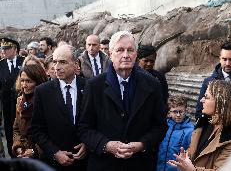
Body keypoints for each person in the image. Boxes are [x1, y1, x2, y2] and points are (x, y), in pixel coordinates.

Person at [78, 31, 167, 171]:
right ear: (110, 54)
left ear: (136, 54)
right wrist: (106, 145)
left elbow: (160, 126)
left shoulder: (152, 85)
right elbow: (84, 128)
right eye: (120, 50)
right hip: (105, 164)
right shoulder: (94, 86)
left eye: (130, 50)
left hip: (140, 164)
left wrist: (142, 144)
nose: (126, 55)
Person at [168, 80, 231, 171]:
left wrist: (192, 170)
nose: (201, 100)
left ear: (221, 102)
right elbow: (193, 152)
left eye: (206, 97)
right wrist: (185, 159)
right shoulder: (204, 123)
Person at [31, 45, 87, 171]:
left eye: (62, 62)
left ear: (76, 63)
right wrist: (55, 153)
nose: (57, 67)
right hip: (54, 164)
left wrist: (88, 144)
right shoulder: (42, 91)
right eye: (55, 62)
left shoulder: (90, 87)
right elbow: (37, 130)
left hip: (85, 162)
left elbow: (97, 122)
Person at [12, 64, 48, 158]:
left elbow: (51, 132)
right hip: (24, 153)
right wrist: (19, 147)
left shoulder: (47, 101)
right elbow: (16, 129)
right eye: (22, 80)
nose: (24, 85)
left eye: (28, 81)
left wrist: (34, 151)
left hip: (44, 155)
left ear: (38, 82)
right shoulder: (20, 100)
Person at [0, 38, 25, 157]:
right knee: (10, 130)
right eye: (2, 48)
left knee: (24, 129)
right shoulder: (1, 65)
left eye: (7, 48)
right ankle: (13, 155)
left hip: (23, 103)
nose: (3, 51)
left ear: (15, 49)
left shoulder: (24, 61)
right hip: (6, 106)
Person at [156, 96, 194, 171]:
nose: (178, 115)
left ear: (185, 111)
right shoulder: (163, 126)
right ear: (169, 112)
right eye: (175, 111)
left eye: (181, 111)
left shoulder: (191, 131)